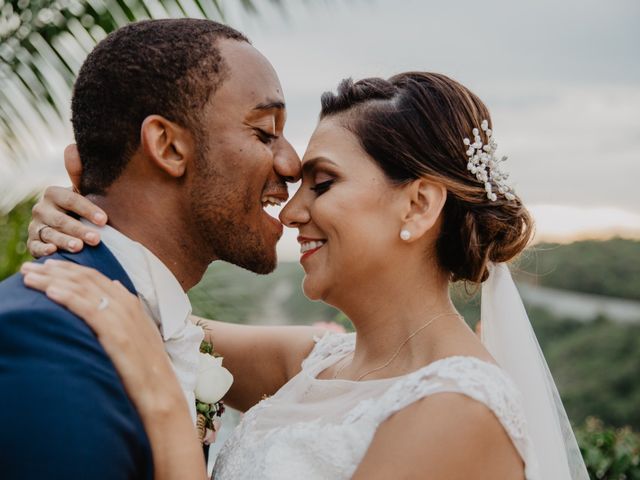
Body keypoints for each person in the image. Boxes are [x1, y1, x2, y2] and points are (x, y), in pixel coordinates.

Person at [24, 71, 591, 479]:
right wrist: (91, 227)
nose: (292, 212)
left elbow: (149, 349)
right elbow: (145, 314)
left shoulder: (458, 411)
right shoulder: (314, 362)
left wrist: (169, 413)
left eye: (322, 184)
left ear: (418, 206)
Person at [0, 18, 314, 479]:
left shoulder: (161, 324)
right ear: (167, 146)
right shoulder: (41, 338)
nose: (292, 164)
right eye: (265, 132)